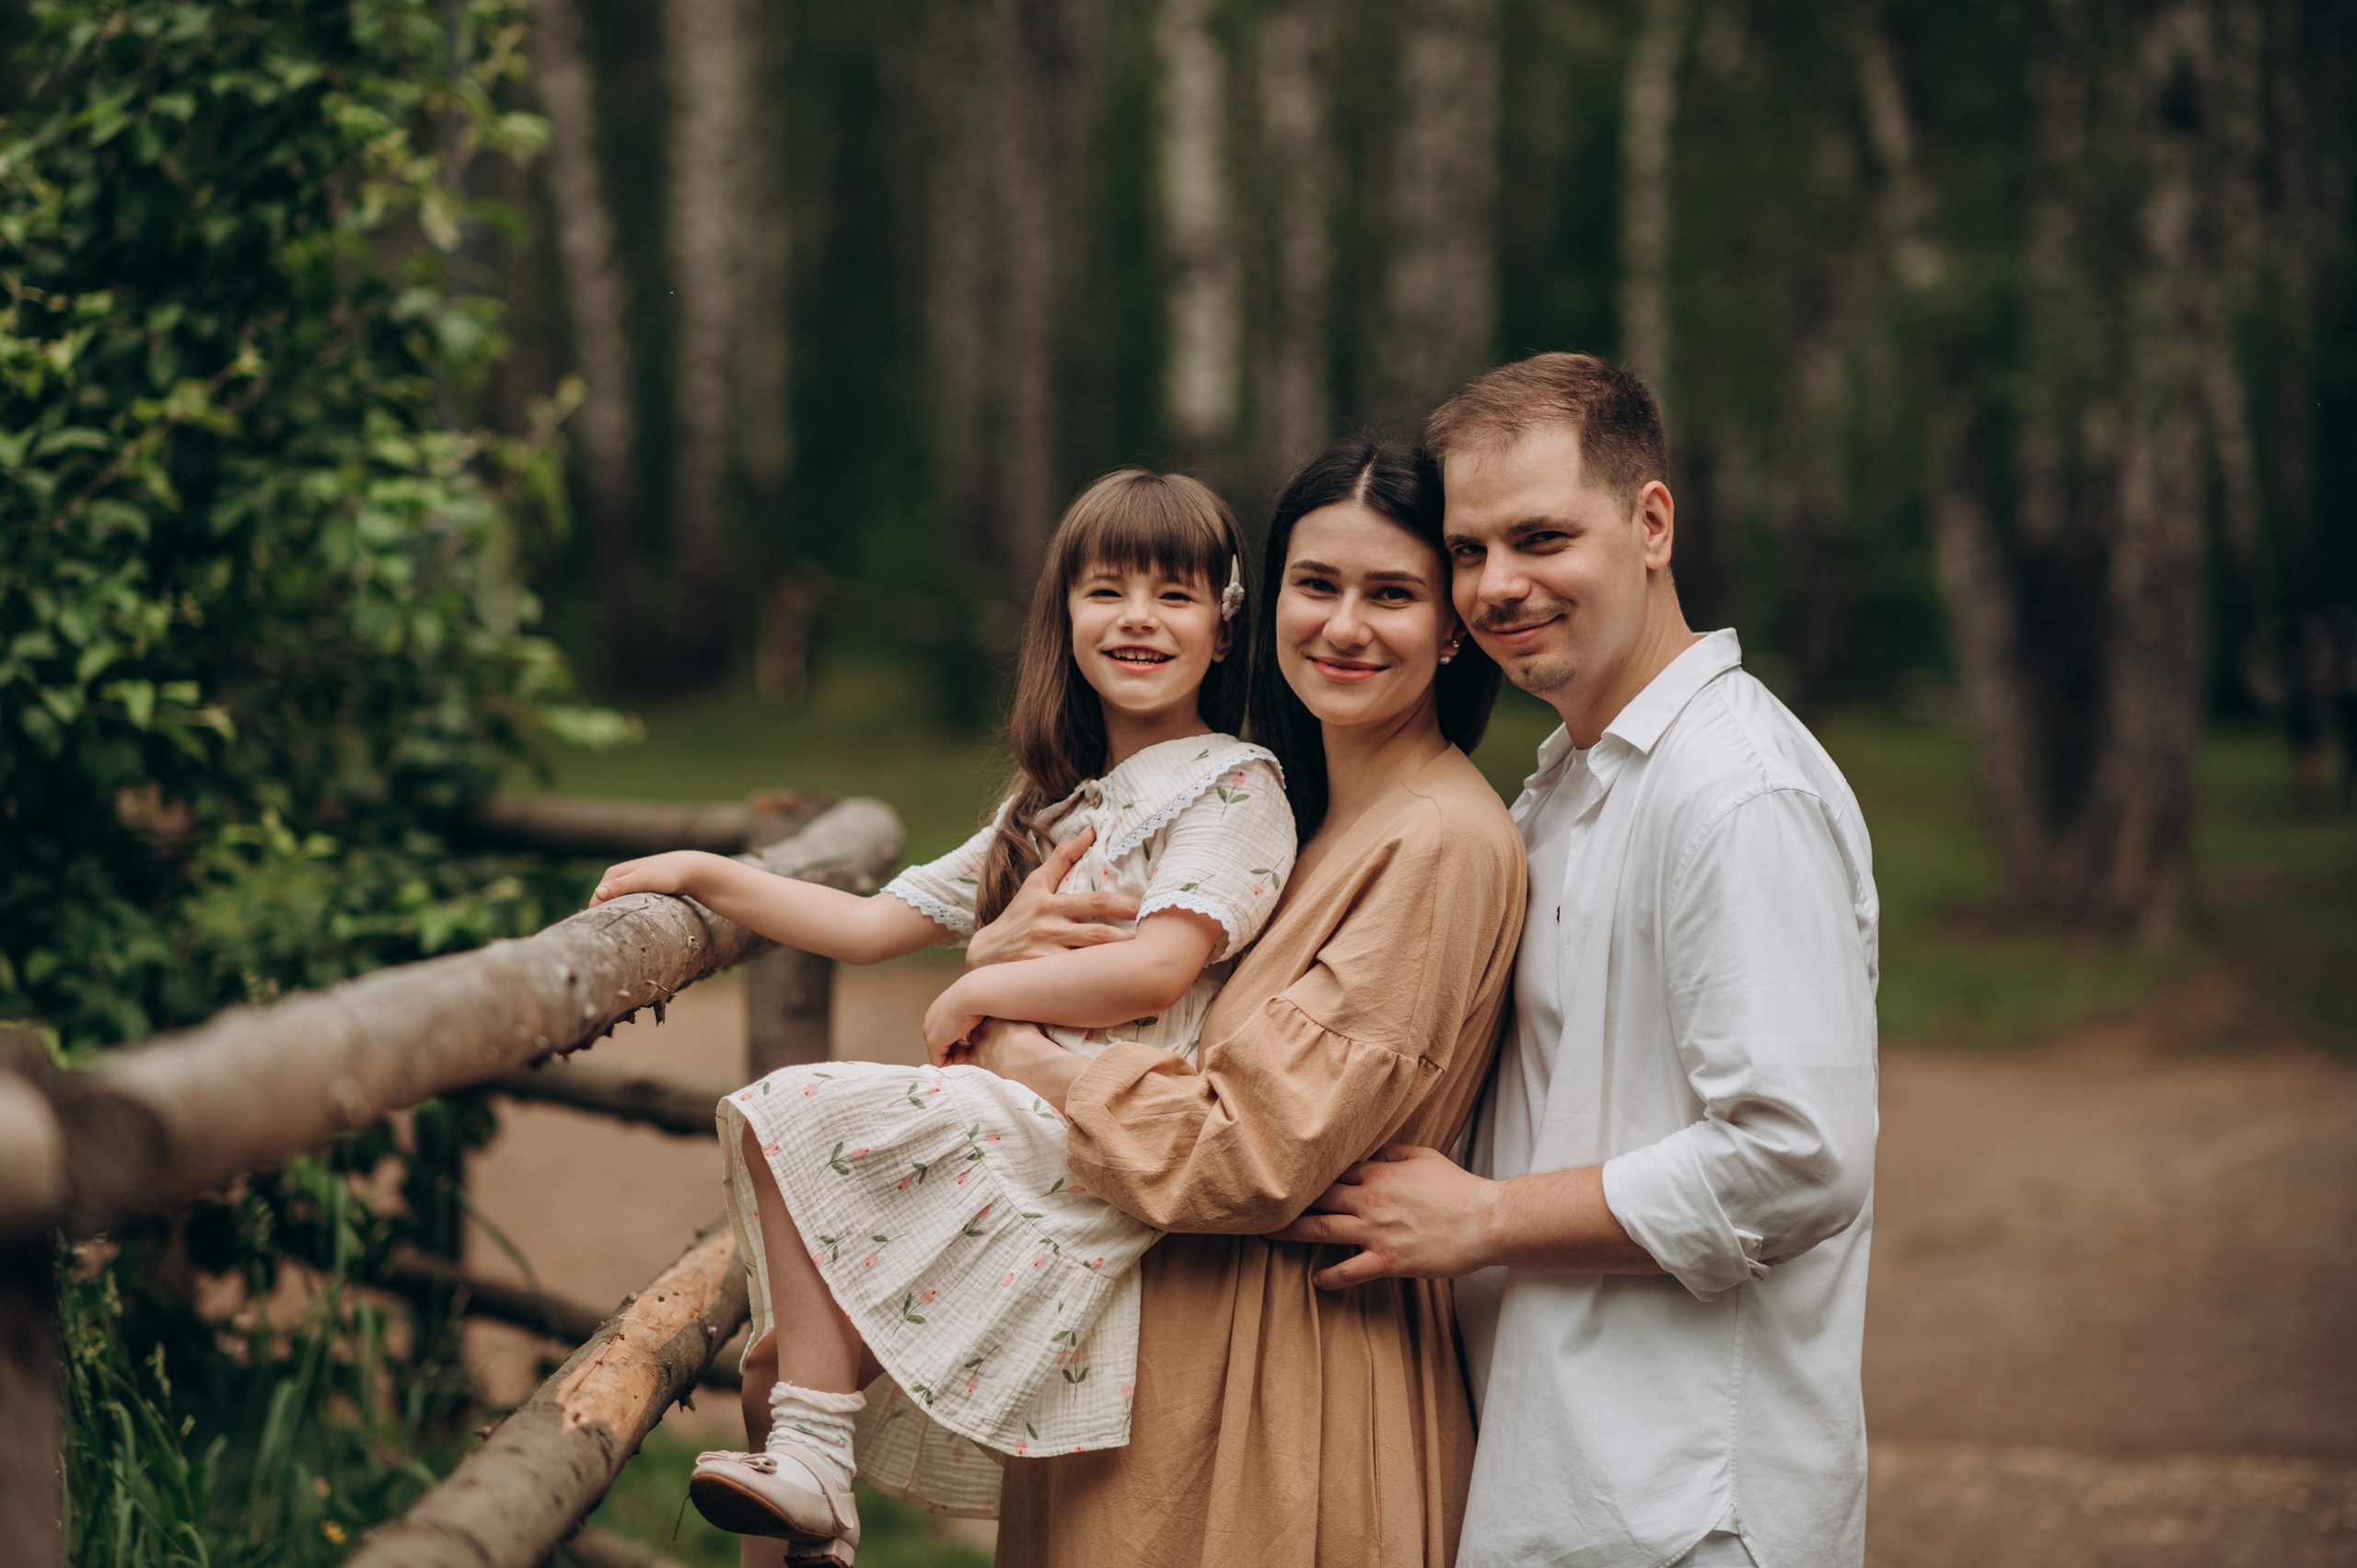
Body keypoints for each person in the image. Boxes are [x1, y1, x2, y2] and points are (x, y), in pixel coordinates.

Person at [587, 470, 1296, 1562]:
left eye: (1177, 594)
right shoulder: (1054, 801)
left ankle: (818, 1462)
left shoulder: (1232, 787)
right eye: (1107, 590)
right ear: (1064, 614)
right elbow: (872, 921)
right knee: (775, 1359)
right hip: (1016, 1121)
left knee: (799, 1110)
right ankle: (813, 1476)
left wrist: (978, 987)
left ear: (1224, 623)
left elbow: (1159, 968)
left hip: (1100, 1133)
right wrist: (703, 871)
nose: (1140, 619)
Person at [1276, 354, 1880, 1568]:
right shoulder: (1572, 782)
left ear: (1652, 523)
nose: (1498, 585)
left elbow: (1797, 1153)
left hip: (1687, 1503)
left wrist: (1486, 1215)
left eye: (1541, 536)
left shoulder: (1733, 791)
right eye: (1469, 550)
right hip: (1566, 1472)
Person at [957, 437, 1527, 1567]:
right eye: (1316, 586)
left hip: (1289, 1393)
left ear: (1453, 623)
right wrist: (1004, 951)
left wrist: (1029, 1062)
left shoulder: (1440, 840)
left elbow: (1256, 1148)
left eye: (1393, 594)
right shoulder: (1284, 818)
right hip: (1164, 1376)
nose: (1345, 625)